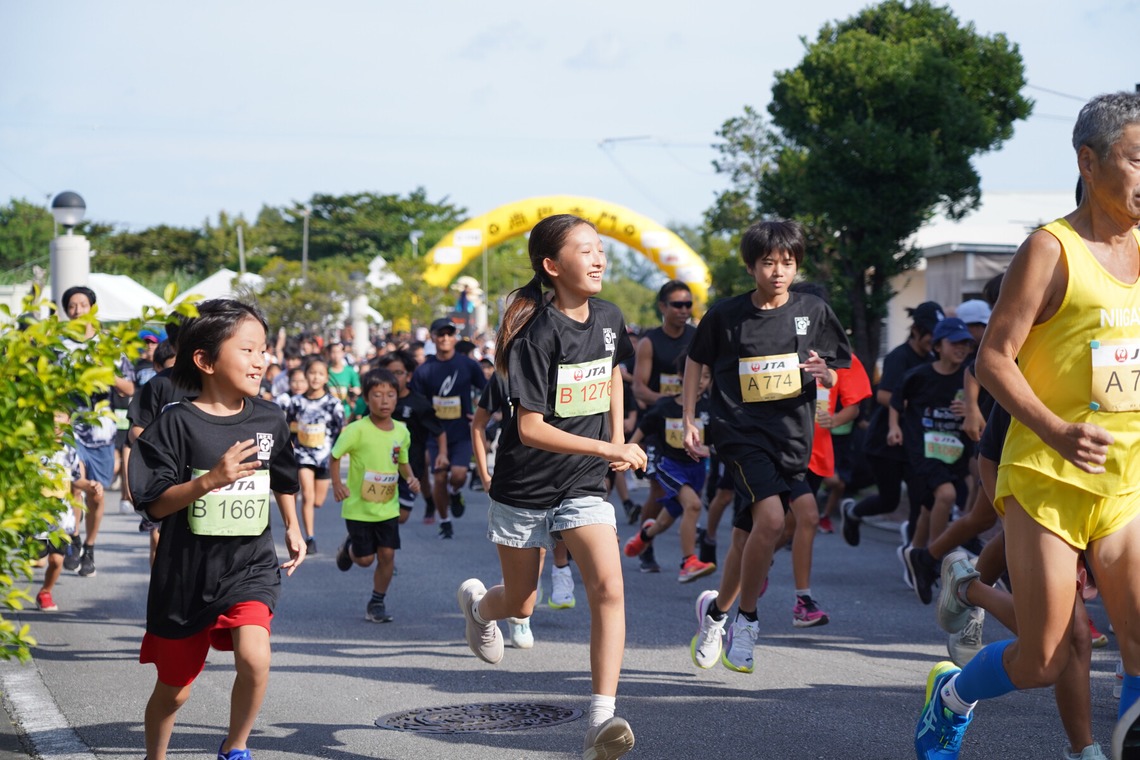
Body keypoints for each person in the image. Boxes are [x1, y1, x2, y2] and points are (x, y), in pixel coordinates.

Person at [914, 91, 1140, 760]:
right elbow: (992, 359)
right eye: (1137, 159)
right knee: (1044, 656)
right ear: (1090, 161)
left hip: (1124, 477)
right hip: (1044, 476)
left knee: (1137, 638)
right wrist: (1055, 429)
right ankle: (952, 696)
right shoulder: (1051, 249)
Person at [455, 214, 645, 760]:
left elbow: (610, 371)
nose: (598, 258)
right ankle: (479, 611)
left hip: (583, 483)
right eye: (583, 251)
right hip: (524, 486)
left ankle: (600, 721)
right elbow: (531, 429)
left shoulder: (609, 317)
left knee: (608, 588)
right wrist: (612, 449)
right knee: (522, 601)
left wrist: (615, 437)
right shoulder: (535, 335)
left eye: (600, 248)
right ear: (552, 266)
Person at [129, 299, 305, 760]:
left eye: (263, 350)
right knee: (175, 690)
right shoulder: (175, 423)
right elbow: (152, 501)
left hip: (250, 565)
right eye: (247, 350)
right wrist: (209, 480)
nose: (261, 360)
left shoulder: (269, 418)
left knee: (255, 657)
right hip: (186, 573)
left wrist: (293, 526)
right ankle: (155, 756)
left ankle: (236, 745)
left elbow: (283, 476)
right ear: (205, 361)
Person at [683, 219, 850, 674]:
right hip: (738, 432)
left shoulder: (812, 310)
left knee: (745, 539)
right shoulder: (726, 314)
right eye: (769, 262)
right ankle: (748, 622)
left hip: (791, 438)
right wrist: (688, 419)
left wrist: (826, 375)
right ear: (752, 266)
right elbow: (696, 360)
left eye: (788, 262)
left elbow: (837, 369)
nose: (779, 271)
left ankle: (715, 614)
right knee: (775, 521)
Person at [840, 301, 942, 551]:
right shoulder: (899, 356)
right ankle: (853, 512)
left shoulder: (933, 359)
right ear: (916, 331)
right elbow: (884, 395)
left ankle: (913, 553)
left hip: (915, 442)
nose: (933, 339)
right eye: (930, 333)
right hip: (885, 442)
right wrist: (916, 405)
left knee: (920, 497)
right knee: (889, 500)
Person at [893, 317, 975, 604]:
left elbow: (981, 410)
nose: (962, 348)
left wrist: (969, 409)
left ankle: (915, 556)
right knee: (946, 495)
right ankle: (934, 559)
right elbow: (895, 403)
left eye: (966, 343)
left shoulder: (970, 376)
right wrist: (894, 428)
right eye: (955, 343)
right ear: (938, 346)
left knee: (930, 507)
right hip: (923, 449)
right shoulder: (918, 376)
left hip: (954, 451)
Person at [59, 285, 137, 578]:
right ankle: (73, 537)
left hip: (101, 432)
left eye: (82, 304)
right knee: (75, 484)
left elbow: (129, 388)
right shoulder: (59, 345)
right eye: (71, 306)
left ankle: (89, 547)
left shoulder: (110, 345)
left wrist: (105, 373)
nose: (77, 310)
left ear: (92, 308)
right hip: (69, 428)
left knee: (97, 494)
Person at [330, 369, 419, 623]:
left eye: (390, 395)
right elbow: (335, 456)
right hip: (358, 508)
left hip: (387, 507)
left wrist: (410, 477)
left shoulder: (402, 431)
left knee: (388, 554)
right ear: (367, 400)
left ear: (397, 398)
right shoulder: (356, 430)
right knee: (366, 559)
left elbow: (401, 461)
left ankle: (377, 601)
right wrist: (337, 484)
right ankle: (349, 549)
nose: (384, 401)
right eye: (377, 395)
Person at [622, 357, 715, 583]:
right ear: (683, 376)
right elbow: (642, 429)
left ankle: (644, 536)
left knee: (664, 522)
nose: (701, 381)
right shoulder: (666, 406)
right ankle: (688, 562)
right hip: (669, 466)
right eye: (697, 375)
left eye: (706, 377)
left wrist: (709, 448)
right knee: (692, 506)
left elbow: (717, 441)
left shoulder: (710, 409)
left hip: (696, 470)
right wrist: (628, 450)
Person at [630, 281, 697, 572]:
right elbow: (640, 388)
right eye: (677, 305)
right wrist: (671, 401)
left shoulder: (697, 337)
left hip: (692, 422)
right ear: (663, 307)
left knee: (691, 489)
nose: (683, 311)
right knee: (659, 488)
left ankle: (698, 540)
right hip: (659, 424)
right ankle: (646, 545)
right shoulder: (650, 342)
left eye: (687, 305)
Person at [411, 318, 487, 539]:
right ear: (433, 338)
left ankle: (455, 493)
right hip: (435, 435)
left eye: (449, 334)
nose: (445, 338)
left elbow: (487, 390)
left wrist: (481, 415)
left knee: (458, 475)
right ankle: (444, 520)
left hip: (462, 431)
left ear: (455, 338)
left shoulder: (468, 365)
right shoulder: (424, 370)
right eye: (440, 334)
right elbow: (417, 404)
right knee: (440, 477)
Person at [373, 351, 445, 524]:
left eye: (398, 373)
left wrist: (442, 453)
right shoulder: (376, 400)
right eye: (389, 373)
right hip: (378, 467)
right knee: (377, 515)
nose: (393, 377)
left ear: (409, 375)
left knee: (401, 517)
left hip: (410, 467)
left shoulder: (419, 403)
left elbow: (439, 431)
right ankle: (360, 545)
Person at [285, 358, 345, 554]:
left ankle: (309, 527)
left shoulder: (333, 404)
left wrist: (337, 454)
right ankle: (310, 537)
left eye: (320, 373)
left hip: (325, 456)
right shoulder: (296, 402)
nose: (315, 377)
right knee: (307, 496)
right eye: (312, 373)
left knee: (318, 500)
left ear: (326, 377)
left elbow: (339, 431)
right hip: (303, 455)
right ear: (305, 375)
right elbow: (287, 427)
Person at [325, 341, 361, 419]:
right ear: (329, 354)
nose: (336, 355)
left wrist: (355, 391)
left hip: (346, 413)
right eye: (333, 352)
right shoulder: (325, 371)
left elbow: (358, 389)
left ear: (343, 353)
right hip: (328, 413)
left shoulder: (350, 372)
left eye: (338, 352)